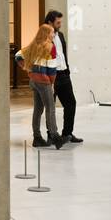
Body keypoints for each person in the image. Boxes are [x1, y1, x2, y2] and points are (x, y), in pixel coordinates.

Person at [14, 24, 63, 150]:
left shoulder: (33, 45)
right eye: (52, 33)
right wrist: (50, 83)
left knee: (38, 109)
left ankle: (37, 138)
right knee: (50, 108)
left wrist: (27, 68)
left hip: (33, 81)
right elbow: (52, 70)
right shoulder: (51, 47)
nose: (53, 35)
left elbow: (18, 55)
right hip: (44, 82)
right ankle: (55, 136)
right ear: (46, 34)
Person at [44, 9, 81, 144]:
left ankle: (67, 133)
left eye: (60, 22)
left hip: (64, 74)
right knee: (50, 106)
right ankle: (51, 135)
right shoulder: (44, 38)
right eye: (58, 22)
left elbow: (62, 54)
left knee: (71, 103)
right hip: (51, 76)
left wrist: (67, 70)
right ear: (50, 22)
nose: (60, 25)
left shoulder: (61, 35)